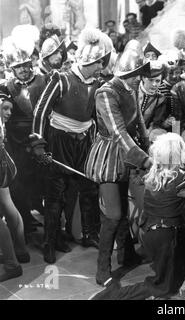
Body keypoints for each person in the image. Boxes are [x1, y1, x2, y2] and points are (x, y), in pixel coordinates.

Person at [91, 133, 185, 300]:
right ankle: (113, 295)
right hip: (164, 237)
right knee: (162, 288)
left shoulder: (155, 172)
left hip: (149, 234)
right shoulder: (178, 179)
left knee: (168, 277)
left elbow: (138, 173)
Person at [31, 28, 112, 263]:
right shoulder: (61, 79)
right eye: (99, 63)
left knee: (88, 189)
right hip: (59, 141)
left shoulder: (97, 83)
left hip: (84, 142)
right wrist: (38, 144)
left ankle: (89, 234)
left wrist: (100, 142)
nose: (101, 68)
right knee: (56, 194)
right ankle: (51, 242)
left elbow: (97, 117)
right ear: (89, 60)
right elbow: (40, 112)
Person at [85, 48, 151, 286]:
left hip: (129, 152)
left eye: (140, 73)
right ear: (123, 73)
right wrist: (143, 159)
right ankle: (103, 268)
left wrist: (148, 148)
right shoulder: (106, 93)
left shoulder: (130, 89)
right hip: (109, 156)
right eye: (134, 73)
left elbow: (138, 124)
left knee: (124, 207)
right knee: (113, 214)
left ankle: (127, 253)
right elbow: (117, 131)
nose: (138, 77)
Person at [0, 26, 49, 234]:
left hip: (39, 135)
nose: (23, 70)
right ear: (12, 69)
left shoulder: (42, 81)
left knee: (40, 178)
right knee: (20, 182)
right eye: (18, 67)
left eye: (26, 65)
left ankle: (38, 209)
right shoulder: (7, 87)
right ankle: (25, 220)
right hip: (16, 141)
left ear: (31, 64)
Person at [0, 93, 30, 282]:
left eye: (10, 109)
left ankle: (12, 264)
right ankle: (21, 252)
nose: (9, 113)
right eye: (5, 108)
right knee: (9, 207)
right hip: (3, 164)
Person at [138, 61, 167, 136]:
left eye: (157, 81)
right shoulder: (132, 92)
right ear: (143, 78)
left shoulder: (160, 99)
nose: (154, 84)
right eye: (151, 80)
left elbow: (155, 123)